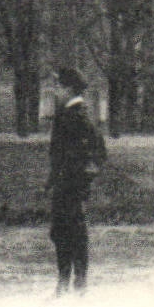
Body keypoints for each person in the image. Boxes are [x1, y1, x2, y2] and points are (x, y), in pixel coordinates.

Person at [46, 67, 105, 293]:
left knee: (68, 231)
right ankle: (72, 282)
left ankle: (71, 283)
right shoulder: (75, 114)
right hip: (67, 183)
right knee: (66, 230)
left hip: (69, 184)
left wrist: (79, 176)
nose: (56, 91)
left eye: (59, 86)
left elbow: (96, 153)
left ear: (69, 89)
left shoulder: (75, 116)